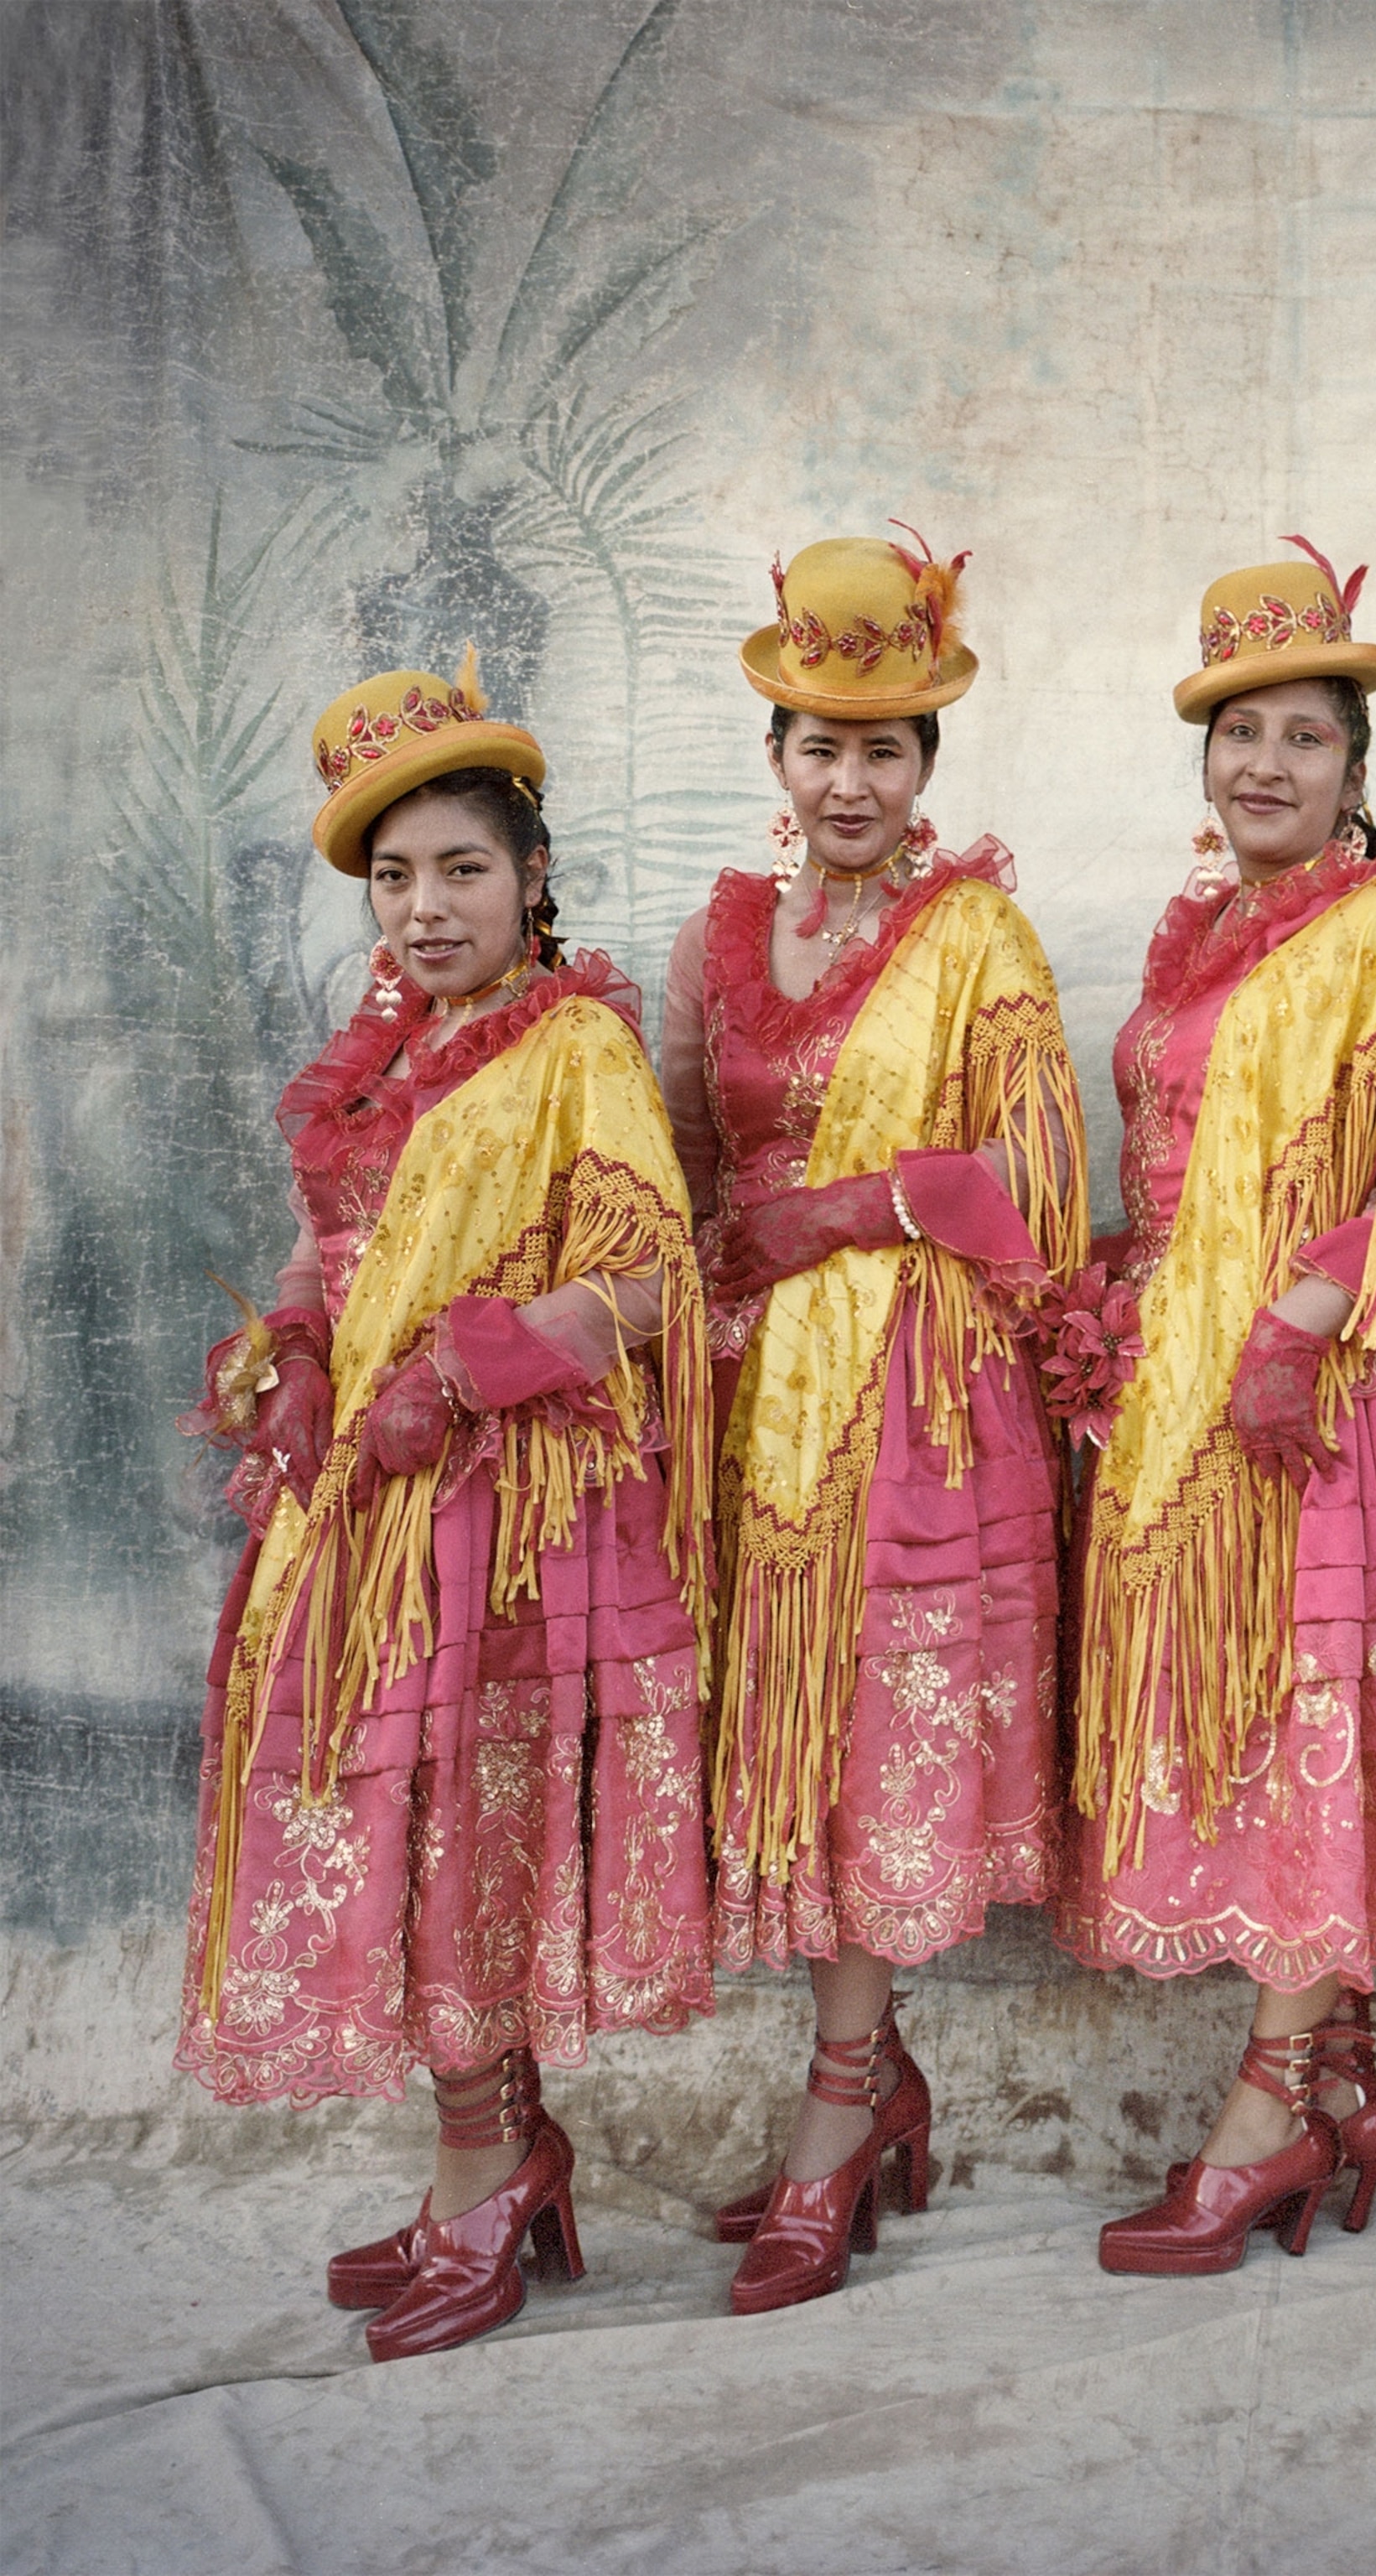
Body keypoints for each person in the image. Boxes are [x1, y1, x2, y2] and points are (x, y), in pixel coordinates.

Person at [177, 651, 714, 2362]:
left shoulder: (576, 1049)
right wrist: (299, 1352)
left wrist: (472, 1368)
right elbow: (339, 1264)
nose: (424, 907)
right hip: (362, 1513)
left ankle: (489, 2173)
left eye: (462, 868)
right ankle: (500, 2150)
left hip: (505, 1523)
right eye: (393, 877)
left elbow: (649, 1280)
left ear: (534, 876)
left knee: (462, 1842)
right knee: (390, 1834)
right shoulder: (378, 1064)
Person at [1059, 542, 1376, 2274]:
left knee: (1309, 1744)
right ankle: (1340, 2091)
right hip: (1187, 1391)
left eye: (1303, 738)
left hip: (1317, 1406)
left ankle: (1264, 2118)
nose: (1265, 764)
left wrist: (1297, 1328)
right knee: (1253, 1745)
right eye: (1238, 734)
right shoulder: (1204, 943)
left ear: (1355, 770)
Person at [662, 532, 1088, 2315]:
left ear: (928, 770)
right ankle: (870, 2077)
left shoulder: (977, 932)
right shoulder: (719, 934)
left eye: (886, 747)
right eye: (820, 744)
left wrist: (835, 1215)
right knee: (783, 1749)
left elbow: (1040, 1186)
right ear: (776, 756)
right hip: (760, 1403)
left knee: (865, 1745)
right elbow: (680, 1167)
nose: (851, 780)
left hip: (916, 1399)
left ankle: (840, 2114)